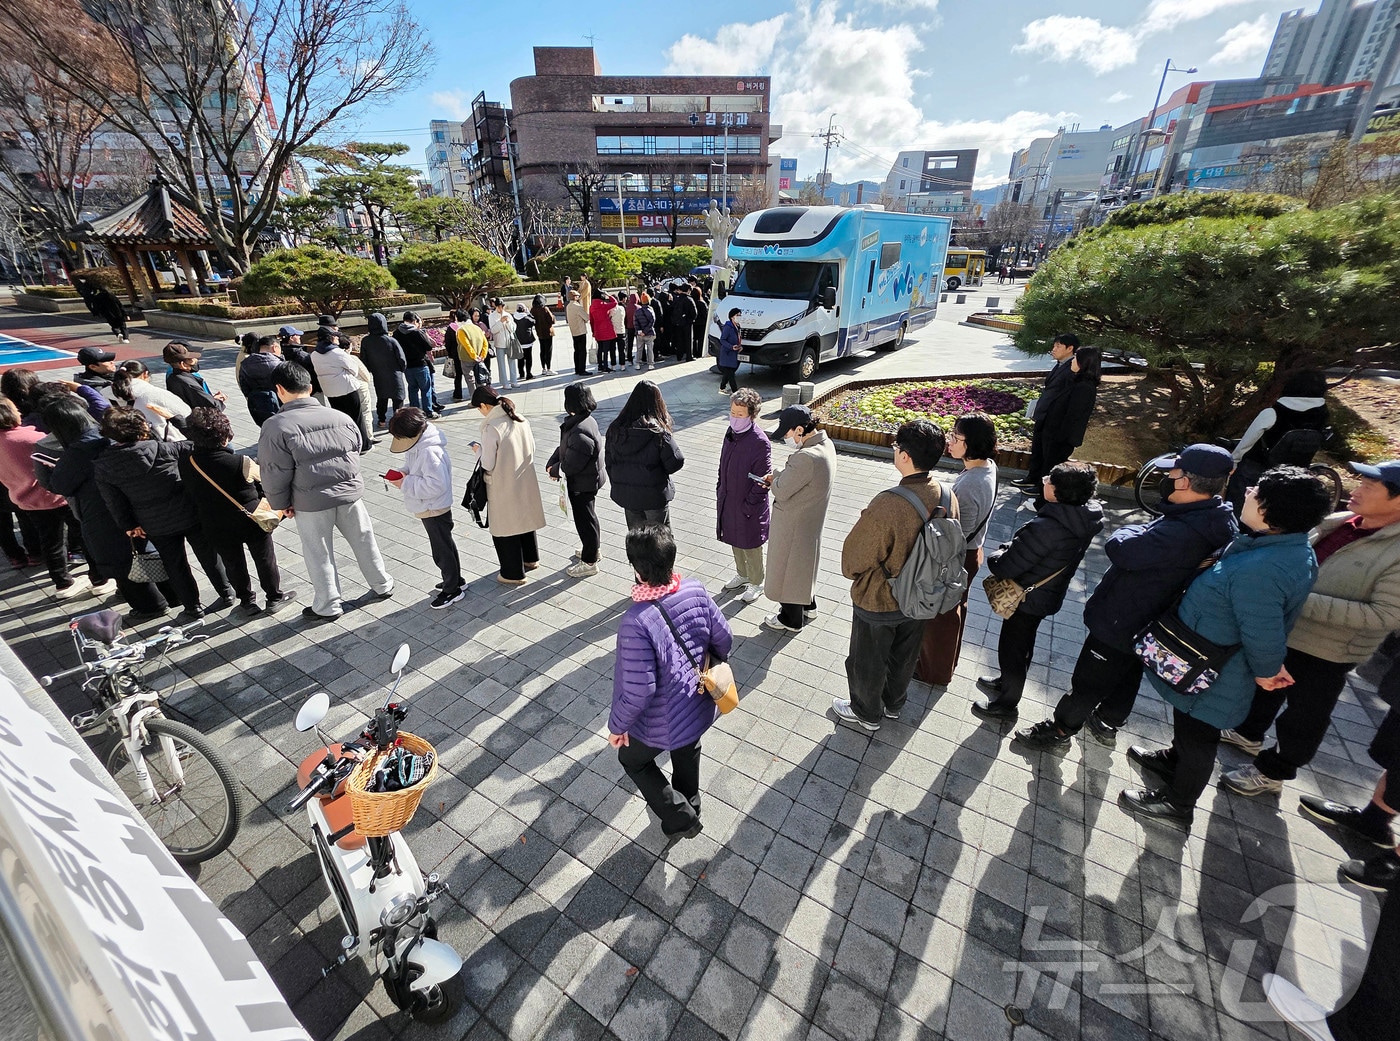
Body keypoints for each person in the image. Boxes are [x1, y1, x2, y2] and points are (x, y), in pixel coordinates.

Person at [1119, 466, 1332, 827]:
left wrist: (1267, 671)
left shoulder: (1265, 568)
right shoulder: (1278, 547)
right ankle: (1173, 761)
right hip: (1206, 659)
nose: (1247, 491)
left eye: (1256, 491)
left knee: (1199, 736)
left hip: (1216, 667)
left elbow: (1262, 629)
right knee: (1190, 724)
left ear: (1270, 511)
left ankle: (1178, 804)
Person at [1015, 444, 1240, 751]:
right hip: (1148, 619)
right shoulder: (1216, 518)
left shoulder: (1185, 530)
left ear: (1185, 482)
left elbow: (1122, 548)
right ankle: (1109, 719)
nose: (1166, 479)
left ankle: (1060, 729)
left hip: (1124, 617)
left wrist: (1129, 531)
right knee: (1129, 669)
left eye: (1172, 474)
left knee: (1089, 679)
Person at [1218, 458, 1400, 796]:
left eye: (1368, 487)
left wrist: (1298, 598)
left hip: (1330, 649)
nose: (1355, 490)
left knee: (1305, 715)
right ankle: (1247, 734)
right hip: (1290, 629)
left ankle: (1275, 770)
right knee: (1267, 687)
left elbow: (1384, 614)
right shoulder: (1343, 521)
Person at [607, 524, 733, 840]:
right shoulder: (695, 590)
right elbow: (724, 638)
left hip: (661, 719)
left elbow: (640, 690)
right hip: (698, 699)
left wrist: (618, 726)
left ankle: (682, 816)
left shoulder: (636, 621)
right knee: (688, 746)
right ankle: (692, 803)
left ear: (638, 571)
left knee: (632, 760)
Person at [835, 420, 956, 731]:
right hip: (923, 595)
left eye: (896, 447)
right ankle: (893, 705)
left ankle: (866, 712)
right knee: (904, 656)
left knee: (867, 660)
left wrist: (854, 573)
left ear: (904, 455)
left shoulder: (889, 502)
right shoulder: (947, 494)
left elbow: (855, 558)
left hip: (881, 598)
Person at [258, 362, 394, 621]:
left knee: (318, 552)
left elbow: (274, 471)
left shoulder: (276, 426)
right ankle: (382, 584)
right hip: (349, 493)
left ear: (279, 389)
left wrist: (281, 503)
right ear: (310, 387)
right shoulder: (340, 417)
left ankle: (329, 604)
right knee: (364, 539)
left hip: (309, 501)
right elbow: (355, 449)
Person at [973, 463, 1105, 719]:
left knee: (1013, 649)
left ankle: (1006, 703)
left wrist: (998, 552)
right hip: (1047, 594)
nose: (1044, 481)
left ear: (1058, 491)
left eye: (1048, 480)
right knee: (1023, 644)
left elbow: (1006, 566)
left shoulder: (1048, 526)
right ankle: (1006, 682)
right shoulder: (1083, 518)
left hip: (1027, 598)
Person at [39, 396, 173, 620]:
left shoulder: (77, 452)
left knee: (122, 563)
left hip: (101, 516)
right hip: (137, 505)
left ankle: (151, 606)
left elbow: (60, 485)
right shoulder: (108, 435)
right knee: (150, 552)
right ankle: (173, 596)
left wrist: (51, 469)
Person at [94, 407, 234, 620]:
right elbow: (201, 443)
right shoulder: (164, 449)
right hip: (189, 511)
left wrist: (129, 525)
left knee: (174, 564)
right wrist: (178, 421)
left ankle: (192, 607)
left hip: (152, 522)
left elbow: (114, 501)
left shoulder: (104, 465)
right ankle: (226, 593)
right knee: (208, 554)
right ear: (141, 428)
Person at [177, 408, 295, 617]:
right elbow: (265, 480)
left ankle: (247, 601)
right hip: (250, 519)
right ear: (224, 435)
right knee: (264, 558)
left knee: (232, 563)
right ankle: (274, 597)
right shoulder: (241, 462)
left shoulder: (187, 461)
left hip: (214, 522)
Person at [915, 412, 999, 686]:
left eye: (956, 437)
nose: (949, 441)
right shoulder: (988, 467)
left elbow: (954, 535)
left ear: (972, 443)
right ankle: (946, 662)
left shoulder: (971, 483)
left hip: (959, 557)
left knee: (942, 617)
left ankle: (934, 672)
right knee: (955, 609)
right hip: (974, 551)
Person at [762, 405, 836, 633]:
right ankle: (809, 606)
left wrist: (774, 479)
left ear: (800, 430)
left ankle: (790, 619)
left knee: (788, 571)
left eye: (787, 432)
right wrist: (780, 475)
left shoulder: (806, 457)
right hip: (810, 520)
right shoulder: (826, 445)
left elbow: (781, 490)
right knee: (804, 567)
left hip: (793, 522)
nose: (786, 437)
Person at [0, 396, 85, 597]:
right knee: (82, 532)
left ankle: (62, 582)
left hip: (26, 500)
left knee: (51, 542)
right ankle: (98, 576)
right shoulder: (32, 438)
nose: (19, 412)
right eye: (15, 409)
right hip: (56, 496)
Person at [385, 408, 463, 609]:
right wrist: (402, 474)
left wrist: (405, 483)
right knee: (445, 544)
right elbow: (413, 467)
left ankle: (452, 589)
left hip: (433, 507)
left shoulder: (429, 451)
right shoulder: (420, 443)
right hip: (431, 505)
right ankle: (455, 580)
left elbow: (437, 485)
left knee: (441, 550)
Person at [469, 385, 546, 585]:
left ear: (484, 405)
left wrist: (478, 451)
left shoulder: (491, 427)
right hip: (525, 478)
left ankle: (513, 574)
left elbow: (487, 464)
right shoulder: (520, 418)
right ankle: (531, 559)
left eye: (478, 408)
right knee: (524, 519)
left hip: (502, 483)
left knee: (505, 527)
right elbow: (533, 448)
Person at [1226, 369, 1330, 513]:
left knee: (1238, 503)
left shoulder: (1273, 412)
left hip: (1258, 469)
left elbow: (1247, 443)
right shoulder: (1322, 414)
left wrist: (1234, 461)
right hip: (1292, 473)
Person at [605, 381, 685, 530]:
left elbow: (609, 462)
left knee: (637, 538)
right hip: (654, 496)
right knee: (660, 538)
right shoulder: (657, 433)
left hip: (628, 495)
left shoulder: (615, 429)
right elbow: (676, 461)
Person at [546, 383, 605, 579]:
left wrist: (555, 470)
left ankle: (589, 562)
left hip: (583, 483)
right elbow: (565, 447)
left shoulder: (580, 430)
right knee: (588, 517)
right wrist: (553, 462)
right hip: (587, 479)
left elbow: (572, 464)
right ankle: (592, 549)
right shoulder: (583, 420)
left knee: (585, 521)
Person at [717, 389, 770, 604]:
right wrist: (720, 488)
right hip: (729, 498)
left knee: (750, 544)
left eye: (740, 414)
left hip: (748, 504)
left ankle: (757, 582)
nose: (735, 418)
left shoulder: (759, 441)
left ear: (751, 415)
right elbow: (723, 464)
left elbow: (762, 481)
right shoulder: (730, 433)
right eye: (732, 413)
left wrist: (749, 505)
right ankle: (742, 574)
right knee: (734, 539)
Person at [1017, 333, 1078, 491]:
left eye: (1058, 346)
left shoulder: (1072, 368)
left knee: (1048, 454)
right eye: (1054, 345)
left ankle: (1041, 487)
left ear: (1070, 348)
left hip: (1054, 419)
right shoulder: (1060, 365)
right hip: (1043, 415)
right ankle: (1032, 478)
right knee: (1038, 450)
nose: (1054, 349)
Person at [309, 318, 372, 452]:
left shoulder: (314, 354)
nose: (338, 338)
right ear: (331, 338)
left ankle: (347, 444)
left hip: (330, 391)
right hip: (347, 388)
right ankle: (364, 445)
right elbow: (354, 370)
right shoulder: (337, 352)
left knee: (341, 420)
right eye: (336, 336)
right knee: (356, 418)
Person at [113, 360, 190, 441]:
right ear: (145, 374)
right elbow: (185, 413)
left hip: (123, 442)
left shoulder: (107, 394)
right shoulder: (156, 393)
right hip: (164, 442)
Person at [360, 313, 407, 424]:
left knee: (381, 398)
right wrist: (401, 369)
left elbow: (364, 360)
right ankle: (397, 422)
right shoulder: (391, 340)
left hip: (378, 375)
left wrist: (372, 369)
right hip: (394, 374)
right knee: (398, 399)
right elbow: (402, 359)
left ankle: (381, 420)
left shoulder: (366, 341)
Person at [394, 312, 439, 415]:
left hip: (407, 366)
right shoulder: (417, 332)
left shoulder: (397, 333)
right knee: (425, 389)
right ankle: (428, 411)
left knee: (412, 389)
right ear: (414, 321)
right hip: (420, 364)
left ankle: (415, 412)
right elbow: (428, 346)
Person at [162, 342, 226, 412]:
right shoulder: (189, 384)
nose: (196, 360)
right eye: (191, 359)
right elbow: (215, 407)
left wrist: (210, 398)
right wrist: (218, 400)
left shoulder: (172, 377)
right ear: (183, 365)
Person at [237, 335, 283, 427]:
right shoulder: (280, 365)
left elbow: (244, 387)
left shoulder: (245, 364)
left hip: (257, 407)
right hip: (280, 408)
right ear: (274, 347)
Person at [488, 298, 519, 389]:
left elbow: (513, 329)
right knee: (501, 364)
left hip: (510, 341)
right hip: (499, 343)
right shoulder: (492, 316)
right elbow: (493, 330)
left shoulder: (508, 315)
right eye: (499, 306)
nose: (500, 308)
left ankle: (514, 381)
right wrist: (500, 322)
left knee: (512, 362)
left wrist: (508, 322)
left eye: (502, 306)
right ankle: (504, 382)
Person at [668, 286, 697, 362]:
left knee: (679, 339)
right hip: (687, 322)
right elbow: (694, 312)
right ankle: (689, 356)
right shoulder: (689, 299)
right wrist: (692, 319)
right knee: (688, 339)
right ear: (688, 290)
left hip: (677, 323)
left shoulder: (677, 299)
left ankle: (679, 356)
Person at [590, 292, 617, 373]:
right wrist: (609, 295)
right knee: (606, 350)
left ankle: (600, 366)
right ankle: (605, 366)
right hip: (606, 330)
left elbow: (591, 321)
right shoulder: (604, 305)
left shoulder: (591, 307)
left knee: (600, 349)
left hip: (597, 330)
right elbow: (615, 302)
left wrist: (593, 331)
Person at [566, 290, 591, 376]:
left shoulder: (568, 306)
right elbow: (586, 318)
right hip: (581, 331)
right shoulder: (578, 307)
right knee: (582, 351)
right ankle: (582, 370)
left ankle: (577, 369)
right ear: (575, 297)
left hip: (573, 331)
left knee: (576, 351)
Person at [530, 294, 555, 376]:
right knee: (548, 350)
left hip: (539, 332)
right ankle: (549, 369)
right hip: (548, 332)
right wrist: (553, 316)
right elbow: (552, 320)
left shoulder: (533, 310)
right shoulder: (545, 309)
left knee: (542, 350)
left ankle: (543, 368)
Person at [634, 292, 657, 369]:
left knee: (639, 349)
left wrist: (640, 331)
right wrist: (645, 331)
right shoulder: (650, 310)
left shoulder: (637, 311)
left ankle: (638, 364)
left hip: (640, 334)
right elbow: (652, 322)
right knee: (650, 349)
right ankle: (650, 364)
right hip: (649, 333)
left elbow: (635, 323)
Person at [514, 304, 536, 381]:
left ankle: (521, 374)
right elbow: (534, 321)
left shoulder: (513, 318)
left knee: (520, 359)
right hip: (527, 341)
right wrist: (529, 313)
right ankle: (528, 374)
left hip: (518, 342)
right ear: (524, 309)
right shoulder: (527, 318)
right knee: (528, 358)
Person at [608, 294, 627, 370]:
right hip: (621, 330)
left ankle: (613, 365)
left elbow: (608, 318)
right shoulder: (622, 308)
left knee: (612, 349)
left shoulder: (610, 310)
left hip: (613, 332)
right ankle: (622, 365)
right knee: (621, 349)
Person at [623, 291, 639, 369]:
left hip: (629, 327)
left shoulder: (627, 307)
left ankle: (630, 359)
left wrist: (626, 326)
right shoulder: (638, 307)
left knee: (630, 344)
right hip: (638, 327)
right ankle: (642, 358)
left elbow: (625, 319)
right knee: (640, 344)